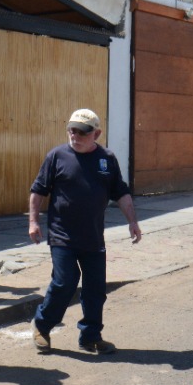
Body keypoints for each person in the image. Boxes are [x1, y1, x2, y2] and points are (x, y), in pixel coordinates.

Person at [28, 109, 141, 355]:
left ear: (96, 134)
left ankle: (90, 336)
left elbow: (120, 192)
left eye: (82, 132)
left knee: (95, 288)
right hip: (62, 236)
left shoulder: (107, 159)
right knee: (64, 281)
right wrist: (34, 222)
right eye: (72, 130)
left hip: (92, 236)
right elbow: (38, 191)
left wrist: (132, 221)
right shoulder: (57, 156)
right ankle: (42, 325)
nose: (75, 135)